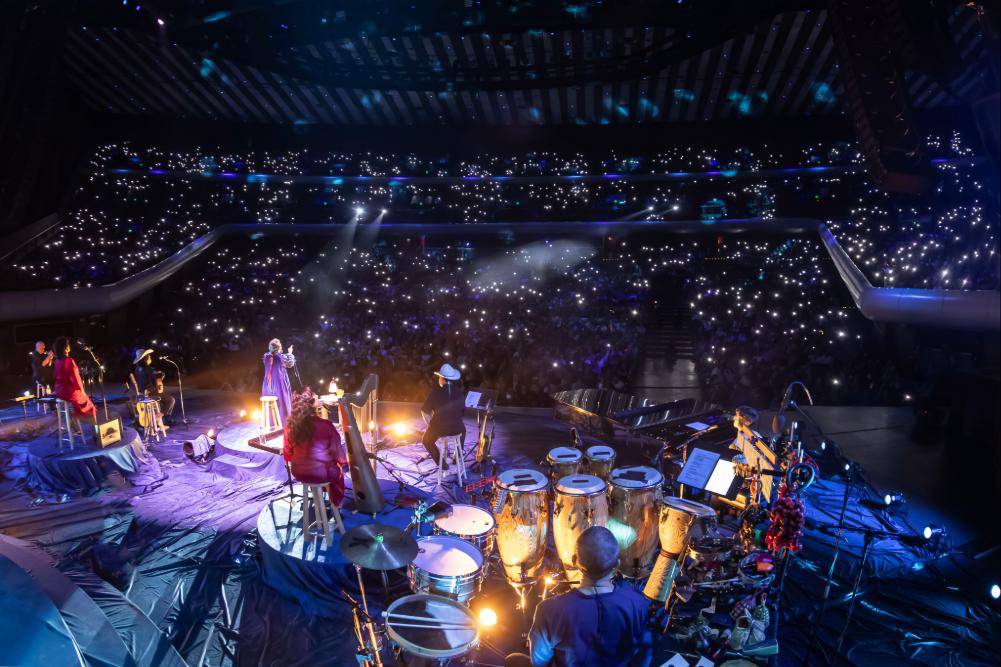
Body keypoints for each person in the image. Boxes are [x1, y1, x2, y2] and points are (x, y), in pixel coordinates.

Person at [506, 526, 652, 667]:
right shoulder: (638, 603)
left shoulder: (549, 610)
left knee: (513, 660)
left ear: (574, 560)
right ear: (617, 563)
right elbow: (645, 656)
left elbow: (538, 661)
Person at [283, 388, 347, 505]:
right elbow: (339, 455)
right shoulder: (326, 425)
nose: (318, 396)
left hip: (299, 472)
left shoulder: (290, 425)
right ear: (311, 403)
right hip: (322, 473)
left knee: (315, 466)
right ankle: (335, 505)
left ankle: (318, 501)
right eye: (315, 395)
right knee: (338, 470)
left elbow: (287, 453)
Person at [420, 363, 465, 466]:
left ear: (442, 379)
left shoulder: (435, 393)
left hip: (439, 429)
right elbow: (462, 412)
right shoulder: (460, 393)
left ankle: (442, 464)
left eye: (439, 377)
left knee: (426, 440)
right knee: (463, 430)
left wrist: (430, 425)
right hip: (456, 428)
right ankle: (457, 457)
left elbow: (425, 412)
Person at [52, 336, 97, 424]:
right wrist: (83, 392)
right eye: (68, 344)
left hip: (59, 390)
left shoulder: (57, 361)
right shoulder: (69, 360)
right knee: (89, 404)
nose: (69, 346)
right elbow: (76, 379)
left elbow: (55, 376)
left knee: (78, 400)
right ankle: (95, 428)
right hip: (67, 391)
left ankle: (74, 419)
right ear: (65, 348)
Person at [130, 348, 176, 422]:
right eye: (149, 356)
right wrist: (162, 374)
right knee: (170, 400)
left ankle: (164, 417)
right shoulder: (148, 369)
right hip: (149, 394)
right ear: (146, 358)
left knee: (163, 396)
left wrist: (156, 374)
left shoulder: (137, 369)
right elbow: (156, 377)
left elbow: (148, 378)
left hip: (141, 394)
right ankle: (160, 417)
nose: (150, 357)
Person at [262, 338, 296, 423]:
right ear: (279, 347)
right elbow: (290, 363)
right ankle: (283, 421)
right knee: (281, 401)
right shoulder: (281, 357)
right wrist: (290, 352)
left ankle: (272, 422)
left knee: (271, 402)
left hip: (267, 385)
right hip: (279, 384)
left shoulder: (266, 356)